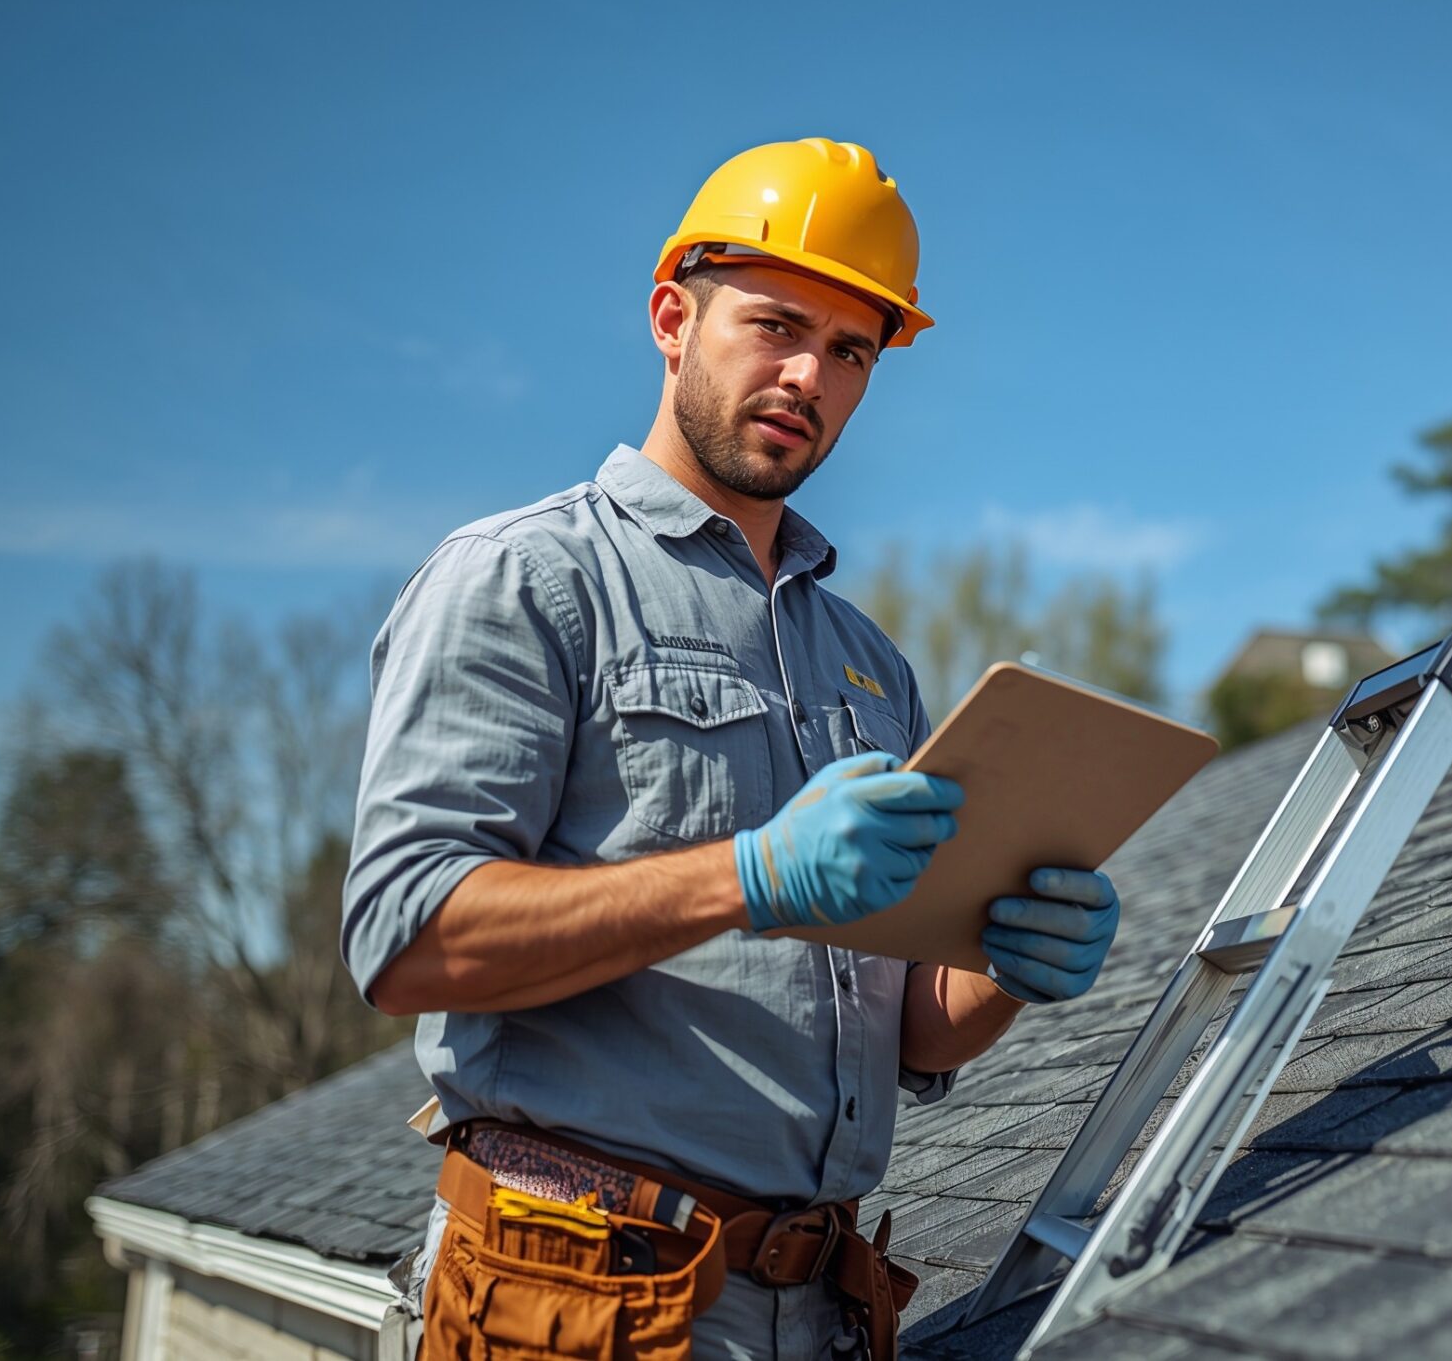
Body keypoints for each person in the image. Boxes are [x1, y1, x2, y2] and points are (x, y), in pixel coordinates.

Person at [340, 138, 1119, 1361]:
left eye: (850, 349)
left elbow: (913, 1028)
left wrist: (1005, 964)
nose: (808, 373)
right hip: (577, 1293)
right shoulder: (527, 578)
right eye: (775, 324)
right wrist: (748, 876)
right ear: (670, 318)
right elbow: (410, 939)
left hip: (822, 1305)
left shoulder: (868, 662)